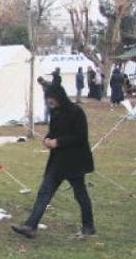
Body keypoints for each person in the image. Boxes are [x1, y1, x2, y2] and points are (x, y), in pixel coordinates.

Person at [11, 84, 95, 239]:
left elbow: (80, 136)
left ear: (59, 97)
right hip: (58, 162)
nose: (49, 102)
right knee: (45, 192)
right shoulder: (55, 112)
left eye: (52, 98)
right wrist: (48, 138)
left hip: (74, 161)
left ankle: (88, 226)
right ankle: (31, 226)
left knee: (80, 194)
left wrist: (58, 142)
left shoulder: (76, 112)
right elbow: (55, 131)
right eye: (47, 99)